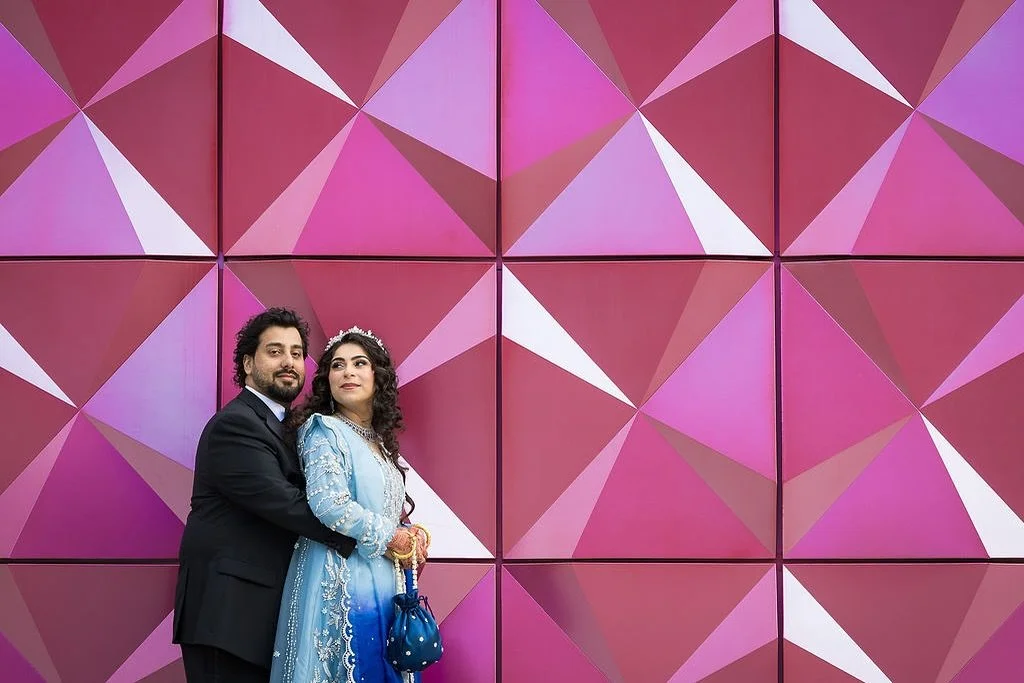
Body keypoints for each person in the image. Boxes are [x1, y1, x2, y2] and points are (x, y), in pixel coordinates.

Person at [173, 308, 358, 682]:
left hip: (259, 618)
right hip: (227, 620)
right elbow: (283, 503)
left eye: (295, 353)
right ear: (247, 363)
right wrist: (368, 535)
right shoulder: (236, 424)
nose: (288, 362)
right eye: (275, 352)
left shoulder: (288, 427)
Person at [271, 326, 430, 683]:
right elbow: (329, 505)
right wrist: (393, 537)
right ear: (327, 380)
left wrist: (411, 536)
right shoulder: (323, 429)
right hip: (339, 575)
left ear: (378, 377)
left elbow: (382, 509)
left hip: (386, 580)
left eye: (360, 363)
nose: (348, 373)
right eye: (338, 366)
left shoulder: (380, 442)